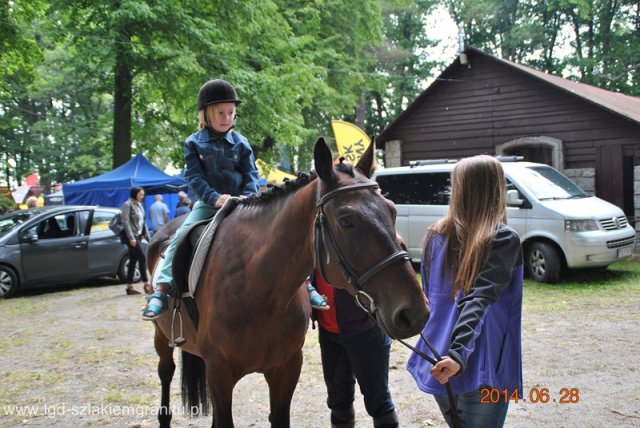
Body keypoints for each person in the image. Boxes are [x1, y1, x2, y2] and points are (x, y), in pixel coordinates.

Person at [406, 155, 523, 428]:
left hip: (438, 360)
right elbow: (478, 299)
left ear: (458, 189)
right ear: (496, 188)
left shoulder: (435, 236)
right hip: (478, 363)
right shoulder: (502, 238)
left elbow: (431, 299)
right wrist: (458, 355)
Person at [143, 79, 261, 320]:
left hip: (242, 204)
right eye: (221, 112)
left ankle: (304, 284)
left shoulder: (241, 142)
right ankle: (161, 289)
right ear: (207, 114)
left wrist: (247, 196)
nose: (227, 117)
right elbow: (194, 178)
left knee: (271, 232)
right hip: (208, 205)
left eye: (231, 112)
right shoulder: (193, 143)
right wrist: (215, 198)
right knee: (180, 236)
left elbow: (251, 175)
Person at [311, 270, 399, 428]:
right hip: (329, 332)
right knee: (338, 402)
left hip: (366, 330)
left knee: (379, 403)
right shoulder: (315, 244)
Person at [121, 187, 151, 296]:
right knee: (142, 257)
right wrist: (131, 238)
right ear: (135, 194)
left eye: (143, 195)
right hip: (131, 236)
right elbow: (125, 222)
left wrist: (148, 238)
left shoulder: (139, 205)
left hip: (138, 235)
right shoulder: (127, 204)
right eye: (140, 194)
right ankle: (146, 284)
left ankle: (129, 287)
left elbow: (143, 223)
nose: (142, 197)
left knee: (133, 260)